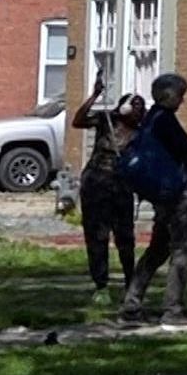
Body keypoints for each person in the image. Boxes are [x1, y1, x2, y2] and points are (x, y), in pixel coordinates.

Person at [121, 73, 187, 326]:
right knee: (183, 251)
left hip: (161, 195)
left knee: (157, 250)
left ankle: (132, 304)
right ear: (169, 95)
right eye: (181, 94)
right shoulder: (164, 120)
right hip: (180, 194)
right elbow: (186, 147)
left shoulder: (149, 120)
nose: (183, 100)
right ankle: (173, 309)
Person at [70, 72, 145, 305]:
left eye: (141, 110)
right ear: (124, 109)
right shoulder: (107, 120)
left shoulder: (142, 132)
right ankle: (101, 284)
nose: (139, 113)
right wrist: (94, 95)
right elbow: (78, 121)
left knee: (125, 237)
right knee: (97, 236)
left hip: (122, 186)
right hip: (96, 184)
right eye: (135, 109)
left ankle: (130, 282)